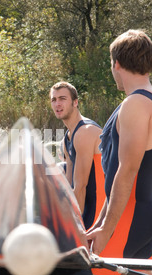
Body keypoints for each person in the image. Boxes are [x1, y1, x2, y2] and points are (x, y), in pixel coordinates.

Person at [71, 30, 152, 275]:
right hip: (144, 210)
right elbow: (120, 171)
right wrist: (101, 221)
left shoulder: (135, 104)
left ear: (116, 63)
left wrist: (107, 227)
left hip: (131, 215)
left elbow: (127, 171)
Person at [50, 81, 105, 230]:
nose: (57, 104)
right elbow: (69, 186)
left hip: (99, 212)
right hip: (86, 209)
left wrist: (72, 225)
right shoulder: (67, 138)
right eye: (54, 100)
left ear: (75, 102)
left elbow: (80, 186)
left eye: (62, 99)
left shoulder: (85, 132)